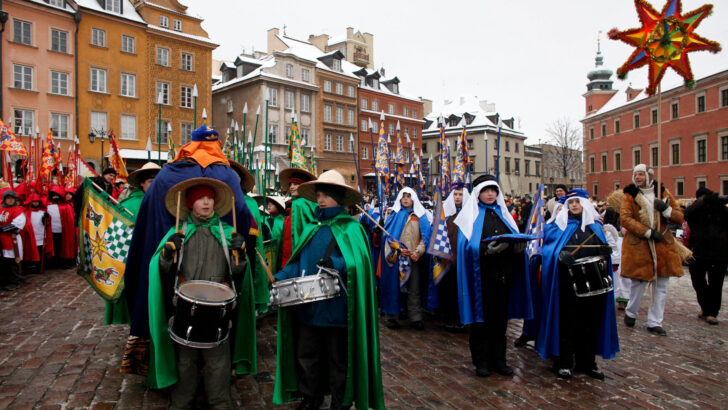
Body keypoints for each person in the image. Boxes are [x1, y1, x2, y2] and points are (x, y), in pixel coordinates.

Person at [122, 125, 254, 382]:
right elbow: (243, 215)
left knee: (164, 299)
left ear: (189, 144)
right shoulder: (227, 175)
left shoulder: (167, 174)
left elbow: (147, 223)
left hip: (176, 268)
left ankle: (161, 362)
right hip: (214, 270)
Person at [272, 170, 384, 410]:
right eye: (319, 195)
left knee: (337, 360)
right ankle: (310, 398)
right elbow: (297, 263)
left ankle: (339, 401)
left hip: (337, 310)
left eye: (326, 195)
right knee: (307, 356)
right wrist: (280, 277)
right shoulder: (311, 228)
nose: (321, 200)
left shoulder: (352, 229)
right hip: (309, 308)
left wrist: (339, 264)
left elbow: (359, 264)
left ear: (339, 199)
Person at [148, 177, 247, 409]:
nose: (206, 203)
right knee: (185, 360)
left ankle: (220, 402)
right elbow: (161, 271)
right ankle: (181, 401)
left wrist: (240, 256)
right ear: (190, 203)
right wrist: (166, 255)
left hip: (217, 308)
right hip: (185, 305)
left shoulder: (227, 232)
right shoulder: (179, 231)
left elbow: (238, 273)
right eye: (200, 198)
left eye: (210, 198)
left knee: (218, 361)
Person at [454, 175, 532, 377]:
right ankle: (482, 361)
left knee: (500, 322)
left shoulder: (504, 215)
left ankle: (500, 360)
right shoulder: (470, 216)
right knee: (481, 322)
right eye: (486, 190)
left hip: (503, 276)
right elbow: (465, 246)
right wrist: (487, 249)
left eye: (493, 191)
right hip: (481, 278)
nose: (490, 194)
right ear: (478, 193)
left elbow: (513, 239)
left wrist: (518, 248)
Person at [536, 189, 619, 379]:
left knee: (590, 324)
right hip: (567, 284)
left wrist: (605, 251)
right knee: (567, 324)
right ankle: (564, 362)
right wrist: (558, 256)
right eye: (571, 202)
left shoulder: (595, 228)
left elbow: (604, 253)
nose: (574, 205)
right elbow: (547, 252)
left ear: (585, 204)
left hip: (593, 285)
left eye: (577, 202)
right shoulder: (557, 227)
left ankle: (587, 362)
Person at [621, 164, 685, 336]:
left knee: (661, 286)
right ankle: (631, 311)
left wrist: (666, 209)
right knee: (639, 284)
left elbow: (679, 218)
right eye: (635, 174)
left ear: (649, 176)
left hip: (662, 246)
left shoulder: (663, 193)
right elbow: (625, 219)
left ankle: (655, 322)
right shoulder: (629, 195)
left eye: (641, 174)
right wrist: (648, 232)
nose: (638, 177)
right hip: (640, 245)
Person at [104, 162, 161, 326]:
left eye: (158, 181)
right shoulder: (128, 206)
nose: (155, 185)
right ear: (142, 183)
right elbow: (115, 239)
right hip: (133, 261)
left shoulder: (162, 203)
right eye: (151, 181)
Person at [380, 187, 432, 330]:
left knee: (414, 288)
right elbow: (387, 236)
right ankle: (392, 316)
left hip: (413, 258)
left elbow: (425, 237)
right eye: (403, 196)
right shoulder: (394, 215)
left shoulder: (420, 216)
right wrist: (397, 249)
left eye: (409, 196)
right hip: (397, 259)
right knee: (394, 287)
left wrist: (418, 252)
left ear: (413, 198)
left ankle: (415, 317)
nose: (406, 199)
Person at [684, 187, 728, 325]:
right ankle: (705, 307)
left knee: (716, 283)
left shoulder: (720, 209)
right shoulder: (696, 210)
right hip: (699, 251)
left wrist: (718, 202)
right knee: (698, 281)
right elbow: (686, 214)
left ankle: (712, 312)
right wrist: (702, 202)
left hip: (719, 252)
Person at [441, 184, 469, 331]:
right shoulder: (445, 215)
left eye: (460, 194)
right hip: (448, 260)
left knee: (462, 291)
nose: (458, 197)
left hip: (463, 261)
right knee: (449, 291)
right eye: (455, 194)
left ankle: (461, 318)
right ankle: (449, 318)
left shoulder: (470, 214)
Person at [1, 190, 26, 290]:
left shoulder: (18, 210)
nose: (10, 200)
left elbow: (17, 225)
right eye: (8, 198)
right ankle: (4, 280)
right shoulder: (1, 209)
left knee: (13, 260)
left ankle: (15, 281)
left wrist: (2, 229)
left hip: (12, 238)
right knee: (4, 261)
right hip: (2, 239)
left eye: (12, 198)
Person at [46, 186, 76, 269]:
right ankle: (53, 262)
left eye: (57, 195)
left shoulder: (66, 207)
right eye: (53, 195)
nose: (55, 197)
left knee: (62, 247)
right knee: (54, 246)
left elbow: (70, 220)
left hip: (63, 231)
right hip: (51, 231)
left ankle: (63, 262)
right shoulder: (47, 206)